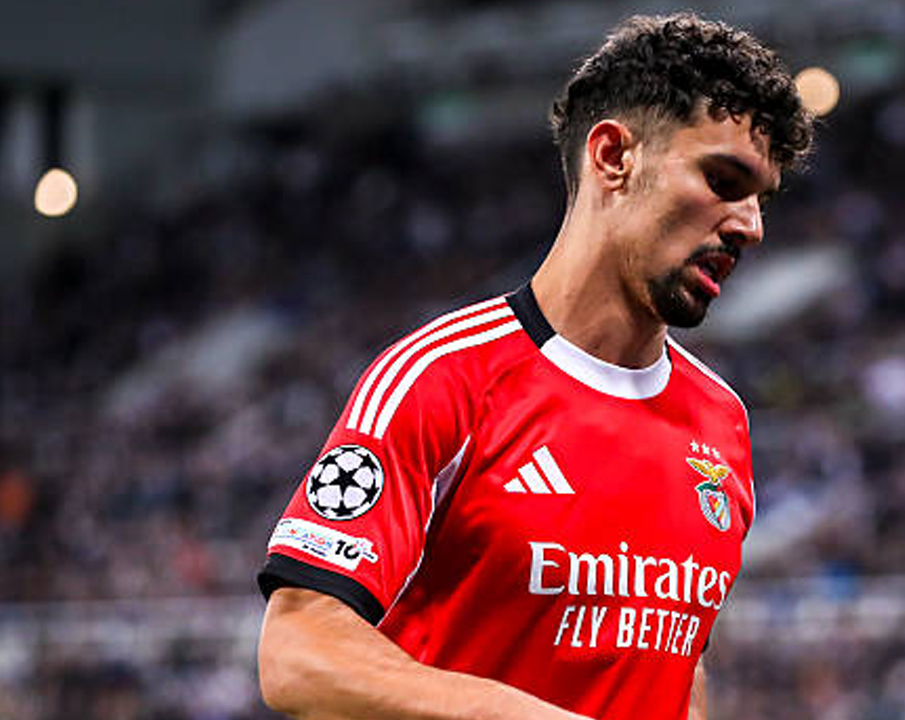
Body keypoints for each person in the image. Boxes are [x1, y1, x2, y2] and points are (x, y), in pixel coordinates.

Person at [256, 11, 813, 720]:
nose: (750, 225)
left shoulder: (723, 422)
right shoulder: (442, 378)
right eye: (724, 179)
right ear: (614, 156)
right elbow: (299, 651)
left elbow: (675, 670)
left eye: (761, 198)